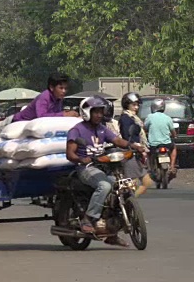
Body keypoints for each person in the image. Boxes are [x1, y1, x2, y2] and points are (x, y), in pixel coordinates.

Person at [66, 96, 144, 247]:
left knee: (119, 186)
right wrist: (82, 159)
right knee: (105, 186)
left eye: (101, 112)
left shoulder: (102, 129)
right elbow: (70, 154)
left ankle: (111, 230)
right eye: (96, 112)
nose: (99, 115)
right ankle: (89, 218)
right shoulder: (77, 130)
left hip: (102, 166)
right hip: (86, 169)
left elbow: (117, 141)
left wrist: (133, 145)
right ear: (87, 112)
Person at [118, 92, 153, 197]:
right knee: (132, 183)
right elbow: (127, 135)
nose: (136, 107)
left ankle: (129, 202)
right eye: (133, 105)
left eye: (137, 105)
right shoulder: (126, 118)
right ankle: (127, 202)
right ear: (127, 104)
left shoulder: (133, 118)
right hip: (130, 153)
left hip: (136, 152)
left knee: (147, 182)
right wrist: (136, 145)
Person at [13, 72, 79, 122]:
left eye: (66, 88)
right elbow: (41, 116)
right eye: (61, 88)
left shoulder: (59, 99)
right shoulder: (44, 97)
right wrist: (63, 115)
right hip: (18, 121)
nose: (64, 91)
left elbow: (55, 115)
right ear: (51, 87)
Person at [144, 99, 178, 176]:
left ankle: (149, 167)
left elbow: (144, 128)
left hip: (153, 144)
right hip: (166, 144)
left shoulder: (150, 117)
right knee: (174, 148)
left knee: (148, 153)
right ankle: (172, 166)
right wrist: (175, 136)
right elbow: (173, 131)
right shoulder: (168, 118)